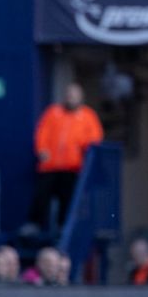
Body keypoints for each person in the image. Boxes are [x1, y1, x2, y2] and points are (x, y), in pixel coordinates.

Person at [31, 82, 103, 232]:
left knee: (68, 198)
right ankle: (36, 225)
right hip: (50, 165)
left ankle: (62, 226)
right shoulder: (53, 112)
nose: (71, 98)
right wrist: (42, 150)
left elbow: (95, 139)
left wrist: (84, 150)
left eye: (74, 95)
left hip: (73, 166)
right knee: (41, 196)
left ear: (81, 98)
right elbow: (42, 132)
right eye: (69, 95)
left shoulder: (87, 116)